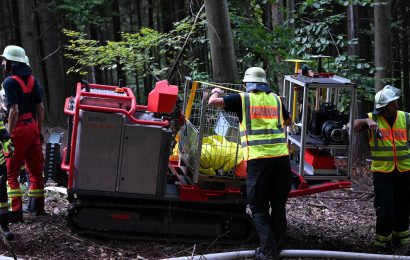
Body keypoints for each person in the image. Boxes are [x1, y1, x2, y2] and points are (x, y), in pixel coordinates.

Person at [208, 67, 293, 259]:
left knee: (258, 207)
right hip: (281, 160)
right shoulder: (276, 100)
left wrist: (216, 91)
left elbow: (213, 102)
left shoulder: (243, 99)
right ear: (264, 83)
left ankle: (269, 251)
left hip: (259, 161)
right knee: (278, 205)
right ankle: (278, 244)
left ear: (248, 84)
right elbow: (288, 121)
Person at [353, 85, 410, 252]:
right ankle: (382, 245)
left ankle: (403, 243)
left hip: (404, 171)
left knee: (403, 207)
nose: (396, 105)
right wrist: (366, 121)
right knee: (385, 209)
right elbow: (352, 125)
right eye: (393, 103)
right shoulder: (372, 118)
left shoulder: (405, 118)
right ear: (385, 107)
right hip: (382, 173)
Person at [1, 45, 45, 219]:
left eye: (5, 60)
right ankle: (37, 207)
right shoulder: (34, 80)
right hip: (33, 126)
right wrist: (39, 131)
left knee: (11, 173)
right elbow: (40, 108)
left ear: (12, 63)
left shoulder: (9, 82)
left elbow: (14, 111)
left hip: (18, 128)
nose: (3, 63)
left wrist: (8, 136)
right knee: (35, 170)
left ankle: (16, 210)